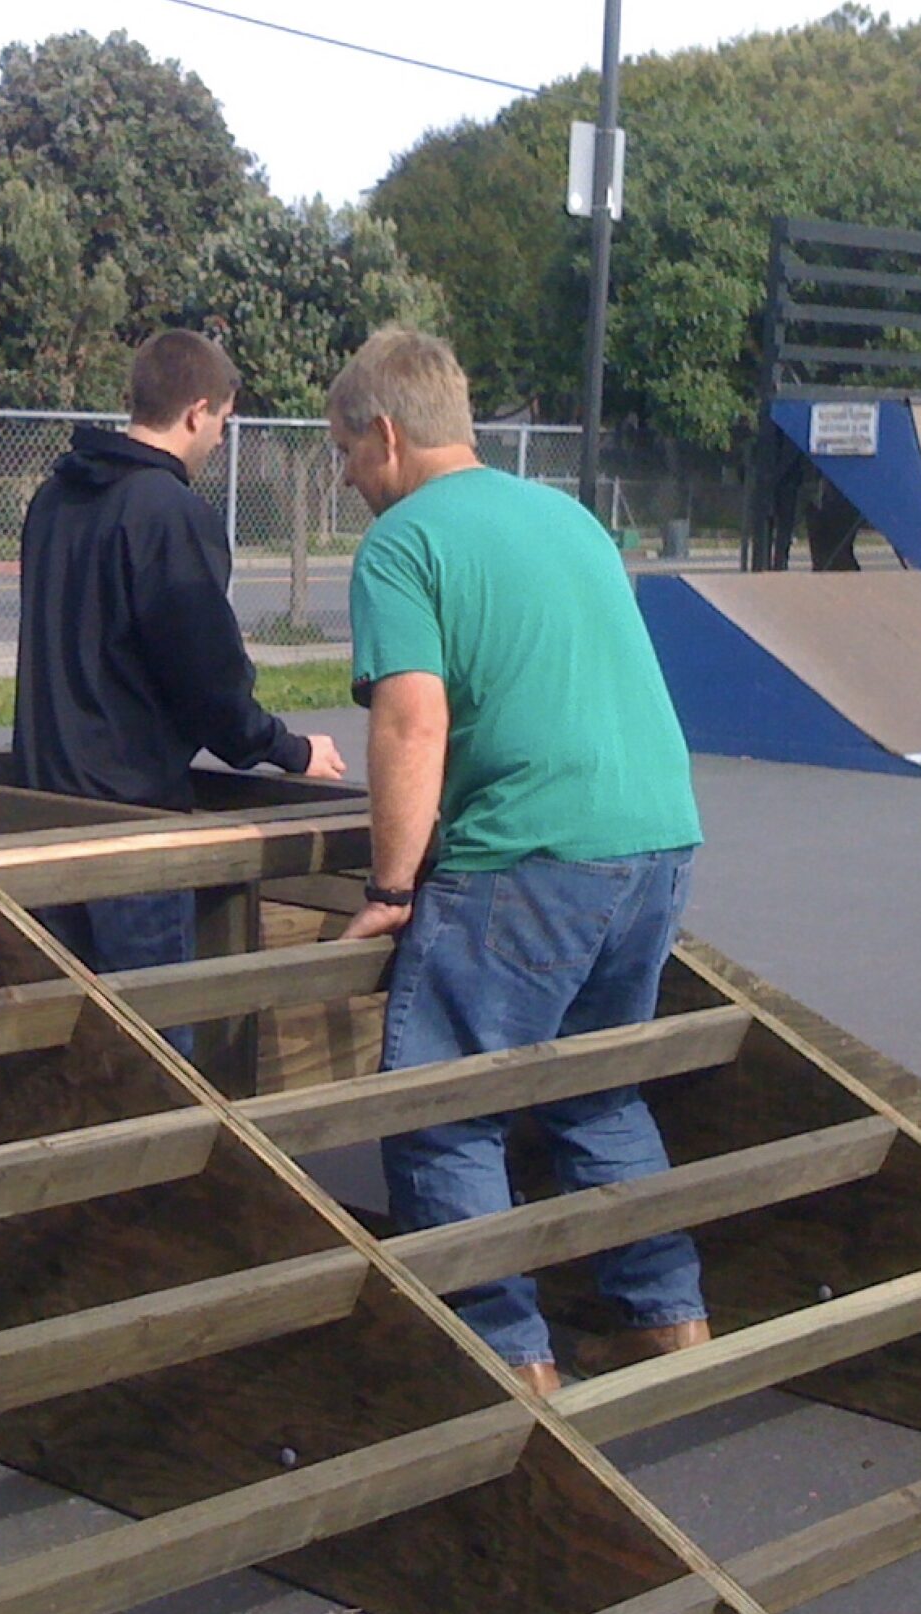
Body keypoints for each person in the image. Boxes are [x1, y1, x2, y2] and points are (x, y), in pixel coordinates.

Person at [328, 327, 707, 1397]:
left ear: (387, 436)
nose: (349, 481)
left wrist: (392, 887)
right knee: (596, 1093)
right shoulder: (568, 516)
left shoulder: (404, 543)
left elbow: (411, 724)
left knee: (445, 1108)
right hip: (655, 838)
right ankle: (666, 1323)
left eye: (345, 456)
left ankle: (502, 1363)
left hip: (529, 855)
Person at [12, 328, 345, 1003]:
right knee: (157, 1045)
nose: (222, 438)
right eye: (223, 419)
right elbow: (207, 675)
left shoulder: (55, 500)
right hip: (133, 823)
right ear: (197, 411)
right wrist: (287, 748)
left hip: (42, 813)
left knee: (61, 1058)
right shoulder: (169, 512)